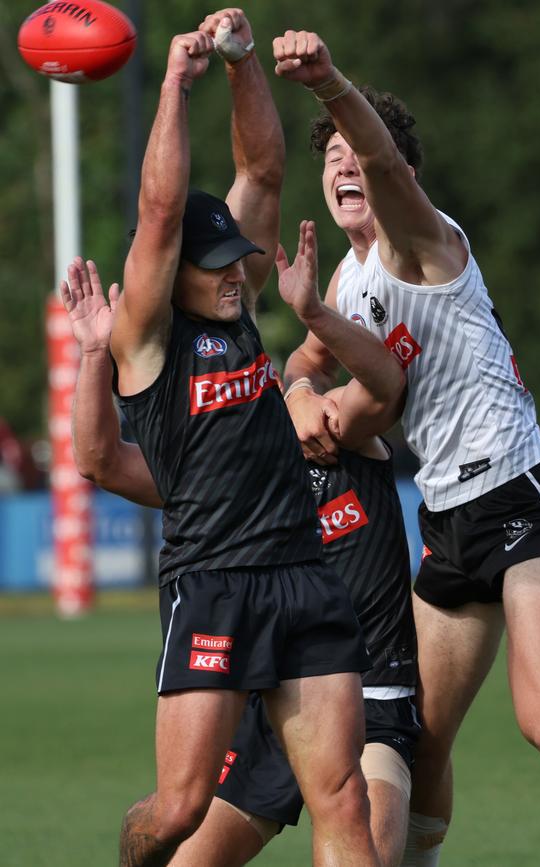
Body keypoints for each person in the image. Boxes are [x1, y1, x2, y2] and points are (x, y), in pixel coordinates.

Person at [272, 27, 540, 864]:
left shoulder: (419, 239)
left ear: (388, 170)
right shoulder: (344, 279)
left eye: (354, 148)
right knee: (415, 738)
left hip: (522, 489)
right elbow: (306, 355)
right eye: (328, 154)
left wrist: (331, 81)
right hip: (446, 519)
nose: (342, 162)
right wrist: (301, 386)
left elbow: (388, 166)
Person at [101, 9, 400, 866]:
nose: (239, 272)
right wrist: (170, 84)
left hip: (304, 574)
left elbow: (261, 168)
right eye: (217, 261)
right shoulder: (147, 339)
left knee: (341, 795)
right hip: (214, 585)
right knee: (179, 809)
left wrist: (238, 64)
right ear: (167, 274)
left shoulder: (235, 305)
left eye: (239, 258)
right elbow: (161, 211)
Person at [62, 248, 417, 866]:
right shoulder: (215, 475)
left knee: (356, 822)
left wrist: (308, 336)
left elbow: (386, 385)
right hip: (260, 695)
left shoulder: (333, 431)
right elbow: (101, 461)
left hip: (371, 697)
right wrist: (96, 356)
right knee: (179, 826)